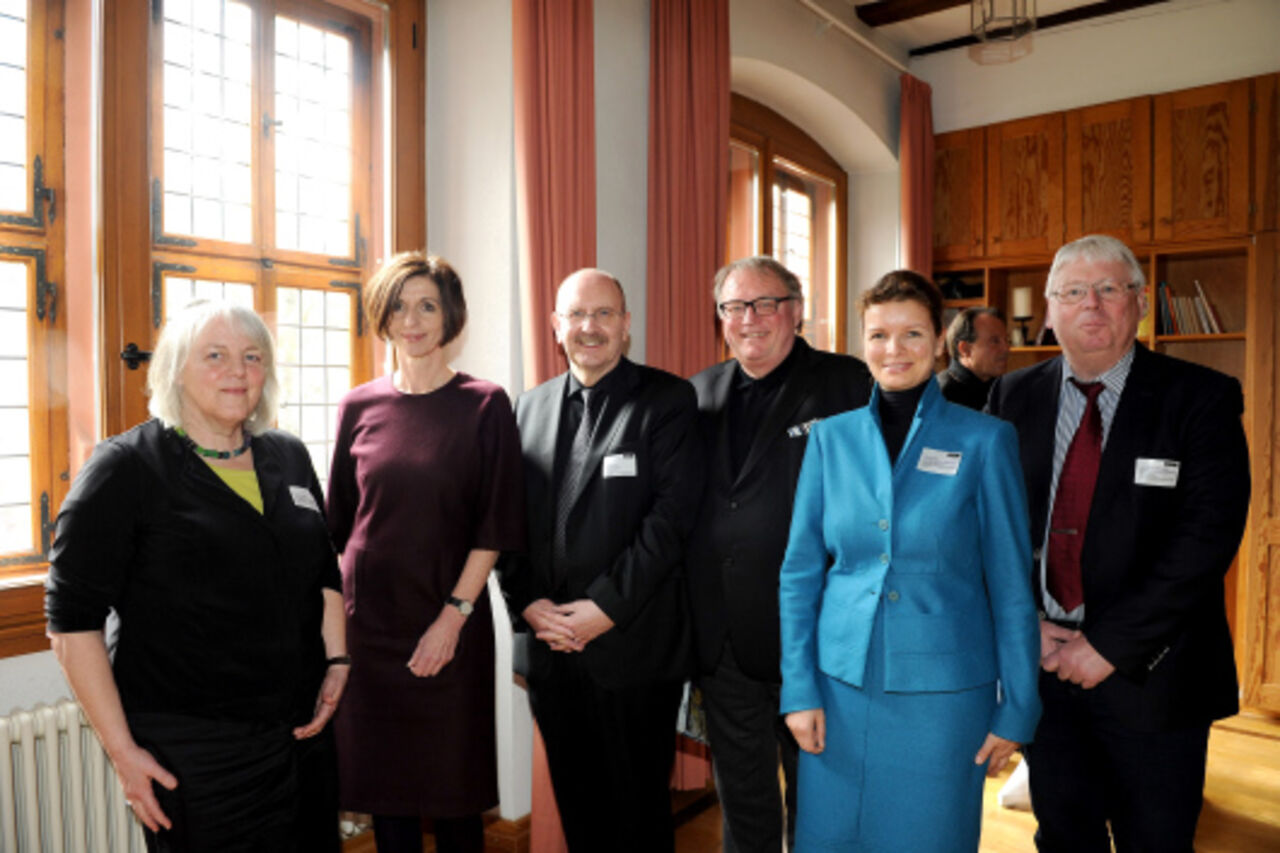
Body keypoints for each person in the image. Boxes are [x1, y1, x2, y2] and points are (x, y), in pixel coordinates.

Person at [45, 300, 347, 853]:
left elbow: (323, 568)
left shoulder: (288, 456)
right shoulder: (126, 468)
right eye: (216, 356)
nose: (238, 371)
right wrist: (123, 753)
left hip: (301, 735)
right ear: (174, 368)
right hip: (195, 751)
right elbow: (71, 622)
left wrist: (337, 660)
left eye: (253, 357)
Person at [986, 234, 1250, 853]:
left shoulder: (1202, 398)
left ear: (1139, 304)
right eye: (1074, 292)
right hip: (1047, 669)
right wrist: (1023, 623)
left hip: (1155, 676)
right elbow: (989, 529)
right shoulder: (1010, 397)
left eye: (1110, 289)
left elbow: (1206, 539)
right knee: (1064, 835)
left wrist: (1109, 645)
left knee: (1155, 840)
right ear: (1050, 310)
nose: (1092, 306)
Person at [779, 270, 1041, 852]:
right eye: (877, 335)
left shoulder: (986, 440)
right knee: (827, 839)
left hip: (945, 698)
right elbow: (799, 574)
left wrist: (1018, 707)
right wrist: (798, 690)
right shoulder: (831, 439)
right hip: (839, 687)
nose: (893, 350)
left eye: (912, 334)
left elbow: (1011, 587)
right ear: (862, 342)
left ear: (940, 342)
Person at [326, 252, 525, 853]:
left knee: (454, 793)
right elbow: (339, 524)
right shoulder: (358, 405)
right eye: (399, 306)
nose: (411, 320)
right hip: (371, 630)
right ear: (382, 318)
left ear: (450, 317)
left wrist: (451, 618)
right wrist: (332, 636)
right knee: (387, 797)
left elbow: (494, 526)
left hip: (449, 621)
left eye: (427, 306)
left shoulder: (484, 404)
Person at [499, 268, 703, 853]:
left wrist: (603, 610)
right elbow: (507, 522)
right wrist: (530, 606)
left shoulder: (667, 400)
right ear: (557, 326)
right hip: (549, 650)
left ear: (626, 325)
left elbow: (671, 522)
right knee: (579, 810)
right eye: (577, 316)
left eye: (604, 314)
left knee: (638, 817)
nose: (590, 327)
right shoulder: (527, 407)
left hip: (632, 648)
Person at [686, 256, 871, 853]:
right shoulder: (699, 393)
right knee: (744, 801)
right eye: (735, 307)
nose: (750, 319)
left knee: (823, 799)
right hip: (726, 644)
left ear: (795, 309)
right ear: (720, 318)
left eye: (765, 303)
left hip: (819, 640)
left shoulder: (848, 384)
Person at [938, 306, 1009, 409]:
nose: (1006, 348)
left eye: (1007, 340)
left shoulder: (1002, 388)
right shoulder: (941, 398)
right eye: (995, 341)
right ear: (965, 349)